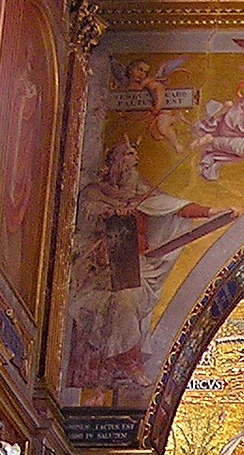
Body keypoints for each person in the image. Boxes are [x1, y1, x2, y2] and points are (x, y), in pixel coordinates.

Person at [68, 139, 233, 388]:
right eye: (127, 156)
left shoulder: (143, 194)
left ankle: (128, 361)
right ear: (113, 162)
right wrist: (112, 210)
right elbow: (87, 212)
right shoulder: (95, 192)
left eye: (135, 156)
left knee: (130, 301)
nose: (133, 161)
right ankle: (123, 362)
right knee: (123, 301)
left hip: (136, 263)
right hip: (101, 264)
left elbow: (178, 208)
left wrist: (214, 211)